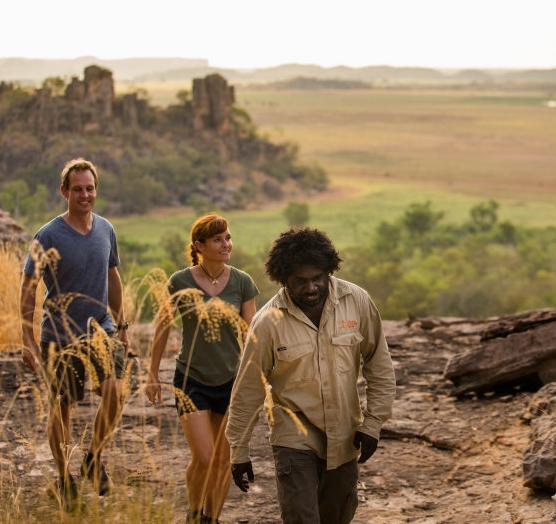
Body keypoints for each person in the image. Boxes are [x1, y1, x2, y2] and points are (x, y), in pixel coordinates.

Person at [226, 227, 396, 524]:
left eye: (318, 278)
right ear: (284, 281)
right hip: (293, 438)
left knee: (337, 516)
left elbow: (379, 364)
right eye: (300, 281)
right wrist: (238, 450)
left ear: (328, 271)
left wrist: (373, 424)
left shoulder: (357, 302)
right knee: (301, 517)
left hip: (345, 436)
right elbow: (248, 390)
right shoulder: (267, 323)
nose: (311, 287)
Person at [20, 158, 130, 511]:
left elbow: (113, 279)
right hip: (59, 334)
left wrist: (122, 325)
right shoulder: (48, 234)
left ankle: (93, 458)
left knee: (114, 392)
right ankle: (65, 477)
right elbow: (28, 287)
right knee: (61, 410)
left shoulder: (105, 229)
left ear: (96, 190)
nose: (85, 195)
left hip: (101, 329)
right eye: (78, 189)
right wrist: (27, 340)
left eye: (90, 188)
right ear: (64, 191)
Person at [145, 213, 259, 524]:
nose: (227, 244)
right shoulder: (179, 281)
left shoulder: (242, 282)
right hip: (192, 379)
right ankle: (194, 515)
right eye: (218, 239)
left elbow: (252, 333)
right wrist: (152, 374)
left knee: (223, 459)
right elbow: (163, 328)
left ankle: (212, 519)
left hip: (230, 380)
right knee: (205, 457)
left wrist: (259, 377)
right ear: (200, 245)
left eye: (228, 238)